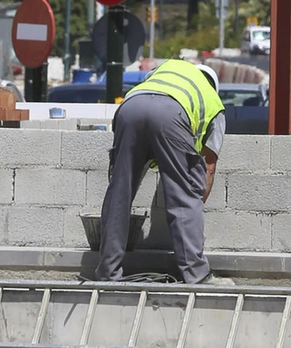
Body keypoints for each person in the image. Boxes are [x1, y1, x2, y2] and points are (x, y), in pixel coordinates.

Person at [96, 55, 225, 285]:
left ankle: (108, 271)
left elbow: (147, 90)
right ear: (214, 86)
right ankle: (197, 275)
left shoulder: (169, 67)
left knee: (119, 192)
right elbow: (209, 167)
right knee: (184, 196)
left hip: (130, 107)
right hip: (170, 115)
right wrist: (193, 203)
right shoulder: (214, 103)